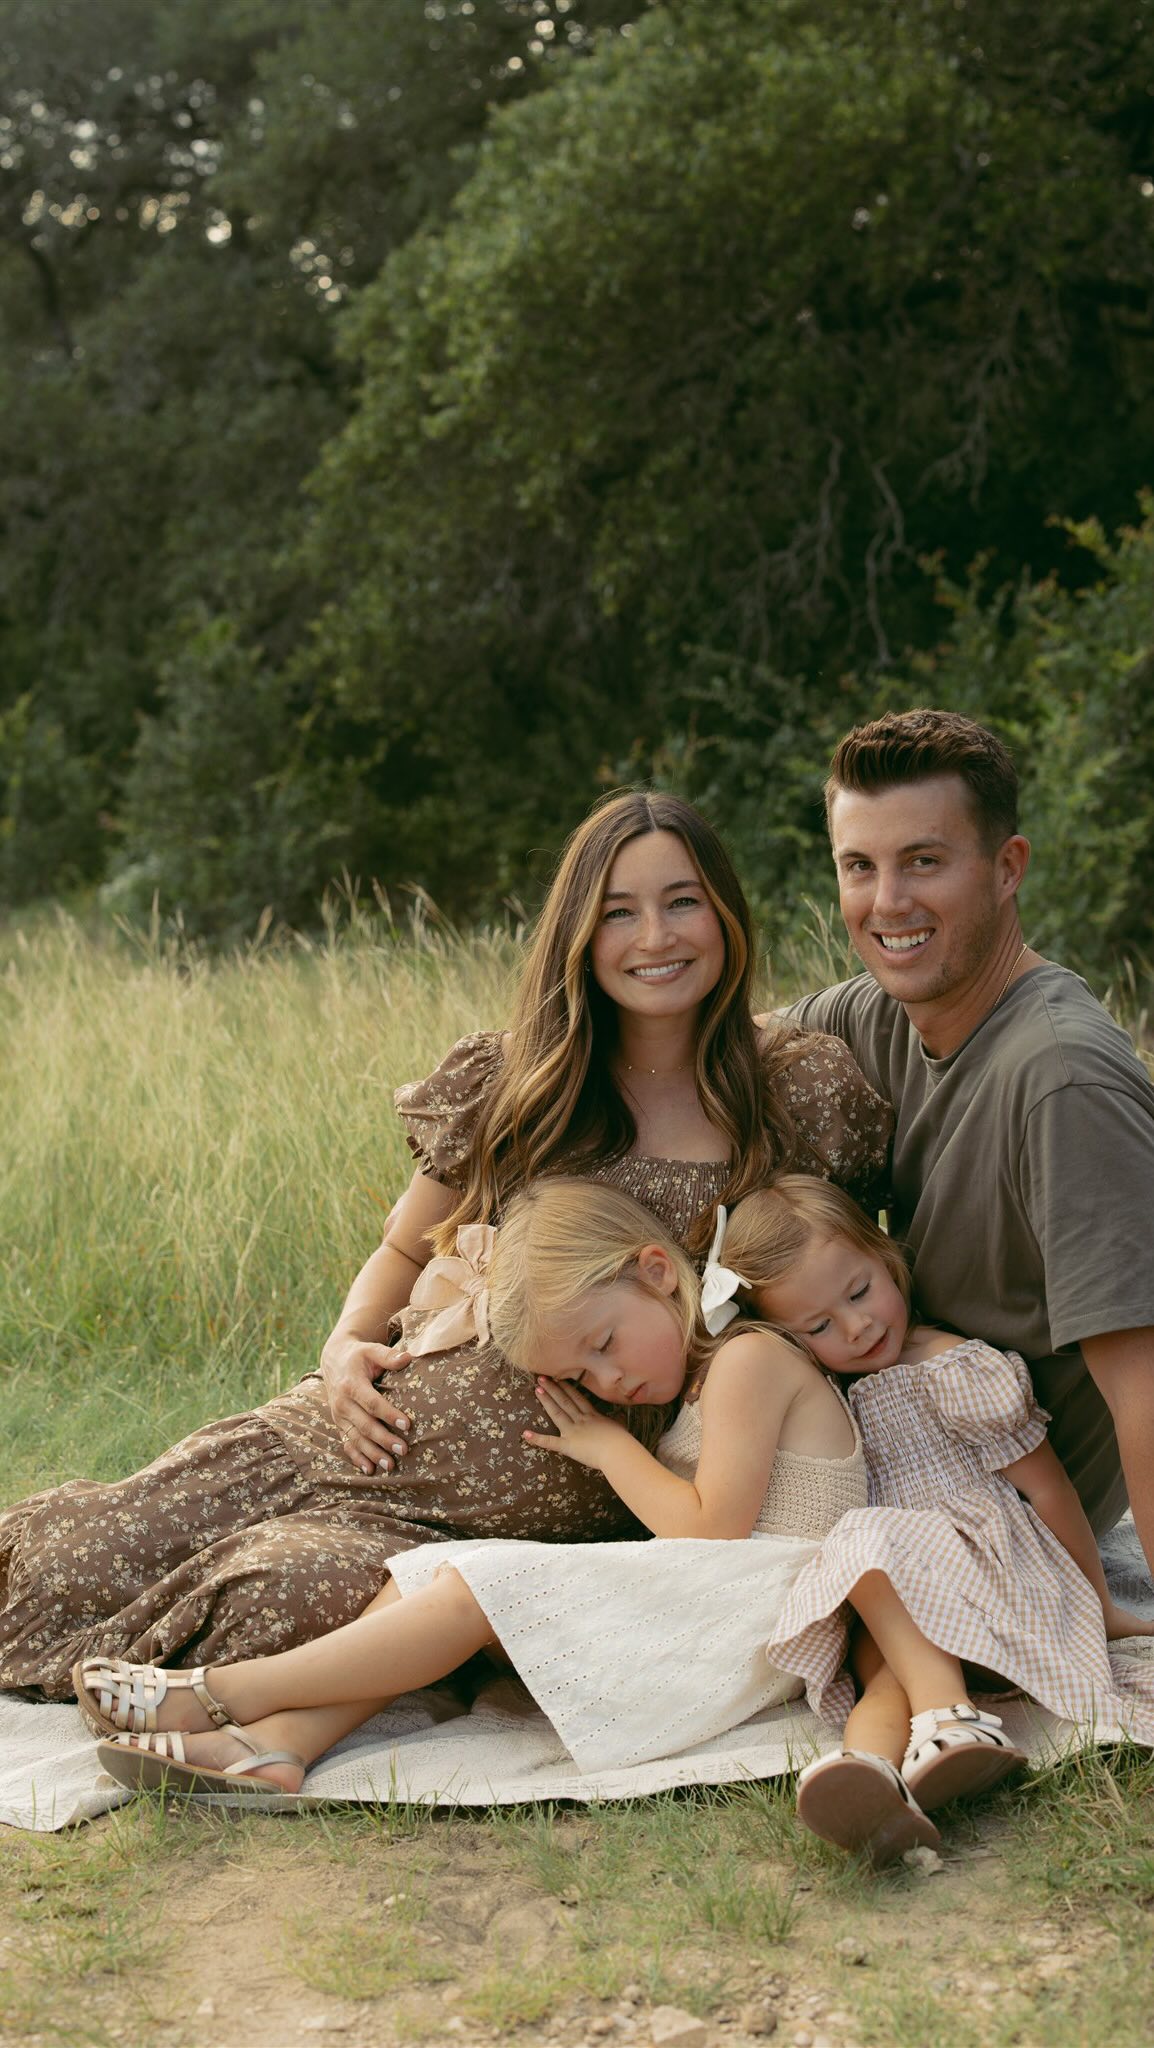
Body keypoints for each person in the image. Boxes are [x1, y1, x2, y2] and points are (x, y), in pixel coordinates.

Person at [0, 792, 891, 1699]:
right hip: (354, 1435)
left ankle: (204, 1696)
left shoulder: (795, 1096)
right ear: (578, 934)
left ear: (727, 914)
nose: (654, 936)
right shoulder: (521, 1082)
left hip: (493, 1538)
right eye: (618, 911)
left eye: (682, 901)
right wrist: (346, 1344)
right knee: (79, 1558)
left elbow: (851, 1279)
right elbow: (401, 1250)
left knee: (276, 1599)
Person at [80, 1181, 886, 1839]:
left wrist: (611, 1450)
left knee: (483, 1587)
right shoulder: (709, 1377)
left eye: (605, 1345)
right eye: (585, 1373)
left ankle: (225, 1691)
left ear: (658, 1272)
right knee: (433, 1575)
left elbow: (714, 1530)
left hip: (766, 1624)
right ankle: (274, 1747)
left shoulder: (748, 1359)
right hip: (719, 1603)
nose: (607, 1384)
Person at [786, 707, 1154, 1571]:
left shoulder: (1064, 1083)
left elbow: (1145, 1387)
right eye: (859, 867)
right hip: (890, 1455)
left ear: (1006, 868)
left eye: (924, 861)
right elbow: (700, 1054)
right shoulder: (876, 1013)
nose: (888, 903)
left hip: (1001, 1518)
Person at [704, 1179, 1154, 1861]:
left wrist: (1100, 1604)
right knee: (882, 1671)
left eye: (859, 1293)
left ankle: (952, 1718)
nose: (855, 1327)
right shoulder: (822, 1394)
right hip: (901, 1604)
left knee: (865, 1537)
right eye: (819, 1326)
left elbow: (1049, 1488)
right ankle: (872, 1776)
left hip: (987, 1570)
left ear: (887, 1259)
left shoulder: (953, 1366)